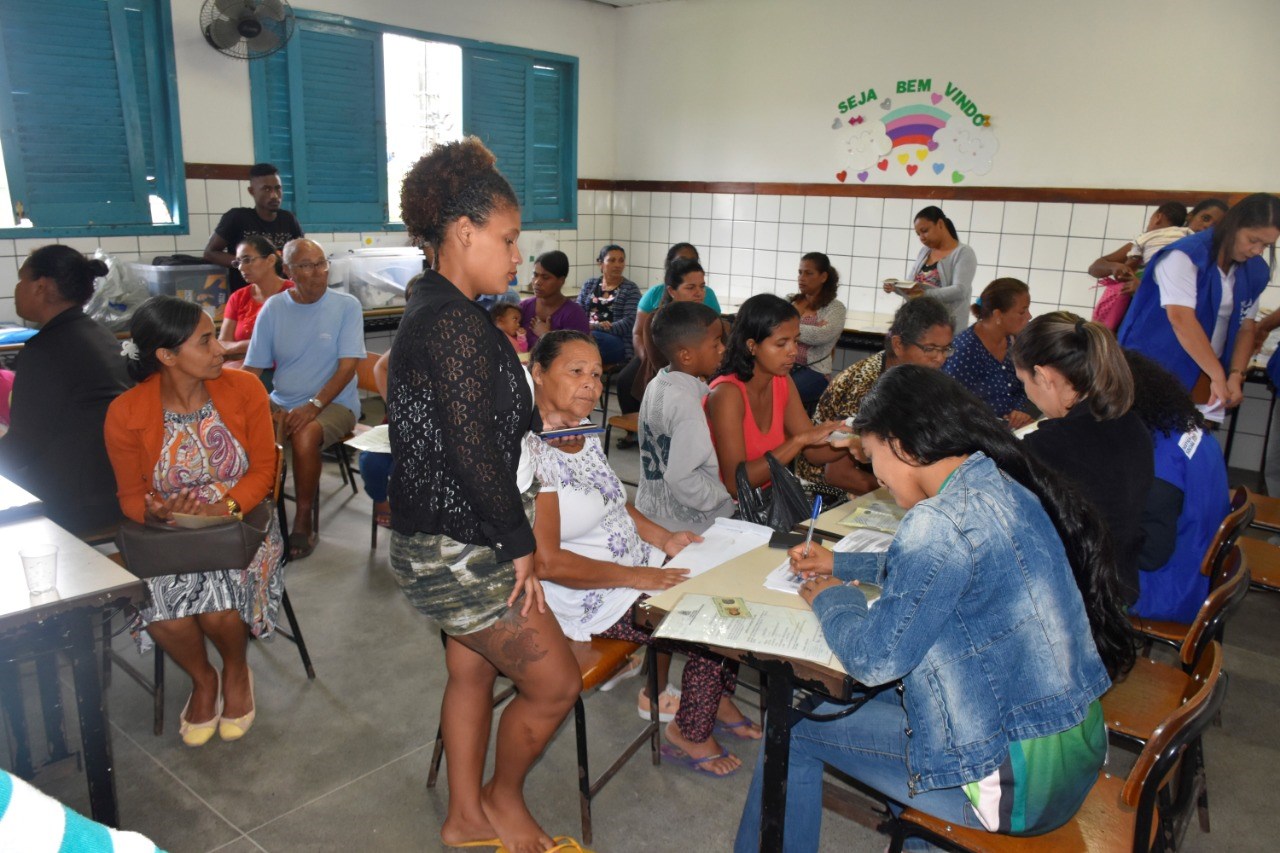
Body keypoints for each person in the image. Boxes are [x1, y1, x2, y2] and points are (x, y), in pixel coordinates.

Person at [735, 365, 1133, 851]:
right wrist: (842, 560)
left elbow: (875, 660)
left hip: (1016, 785)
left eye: (872, 455)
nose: (871, 472)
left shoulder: (937, 524)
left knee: (793, 727)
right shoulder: (997, 482)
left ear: (901, 444)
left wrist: (831, 596)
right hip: (1072, 747)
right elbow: (942, 568)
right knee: (862, 703)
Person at [387, 137, 581, 853]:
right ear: (462, 233)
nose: (514, 256)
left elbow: (469, 419)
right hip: (459, 545)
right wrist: (521, 543)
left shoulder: (439, 307)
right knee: (555, 684)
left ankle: (464, 817)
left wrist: (538, 416)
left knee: (469, 669)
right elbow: (469, 450)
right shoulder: (455, 323)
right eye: (506, 239)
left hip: (442, 531)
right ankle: (501, 800)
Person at [526, 330, 759, 777]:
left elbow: (615, 502)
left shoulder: (582, 431)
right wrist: (639, 579)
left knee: (729, 587)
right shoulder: (531, 453)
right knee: (708, 621)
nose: (591, 385)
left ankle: (713, 698)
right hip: (588, 594)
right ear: (538, 373)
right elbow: (547, 562)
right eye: (576, 372)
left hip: (635, 568)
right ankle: (688, 731)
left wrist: (664, 539)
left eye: (596, 374)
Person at [104, 296, 284, 747]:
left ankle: (237, 672)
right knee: (159, 609)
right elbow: (129, 495)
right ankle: (204, 679)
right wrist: (154, 511)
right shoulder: (125, 413)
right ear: (166, 356)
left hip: (240, 525)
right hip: (167, 534)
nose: (220, 349)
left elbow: (263, 471)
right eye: (205, 340)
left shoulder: (244, 390)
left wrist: (223, 507)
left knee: (218, 604)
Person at [1013, 312, 1153, 604]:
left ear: (1043, 376)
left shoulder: (1050, 446)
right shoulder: (1132, 424)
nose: (1027, 393)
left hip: (1074, 605)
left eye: (1023, 381)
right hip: (1117, 590)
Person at [242, 238, 366, 560]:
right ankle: (254, 514)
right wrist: (235, 403)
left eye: (322, 263)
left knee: (306, 432)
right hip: (282, 400)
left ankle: (303, 519)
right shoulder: (274, 308)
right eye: (306, 266)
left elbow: (348, 368)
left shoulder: (346, 306)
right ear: (288, 271)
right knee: (243, 430)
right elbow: (252, 368)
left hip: (335, 403)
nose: (317, 273)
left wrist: (313, 406)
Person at [0, 245, 132, 531]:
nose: (17, 289)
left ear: (41, 286)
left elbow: (24, 444)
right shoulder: (99, 334)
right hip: (112, 485)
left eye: (22, 280)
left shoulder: (46, 349)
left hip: (76, 502)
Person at [1118, 193, 1280, 422]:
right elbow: (1181, 319)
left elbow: (1246, 326)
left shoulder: (1255, 270)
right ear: (1233, 225)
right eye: (1253, 240)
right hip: (1152, 367)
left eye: (1266, 245)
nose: (1257, 250)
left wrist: (1235, 375)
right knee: (1144, 439)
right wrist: (1217, 376)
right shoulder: (1184, 255)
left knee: (1187, 445)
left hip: (1205, 375)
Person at [796, 297, 954, 493]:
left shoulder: (919, 378)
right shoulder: (866, 387)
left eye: (945, 349)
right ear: (898, 344)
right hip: (823, 492)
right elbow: (838, 475)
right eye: (930, 349)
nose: (939, 358)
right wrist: (910, 493)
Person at [1124, 350, 1230, 623]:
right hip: (1197, 574)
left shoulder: (1161, 462)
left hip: (1166, 592)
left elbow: (1149, 556)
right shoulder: (1188, 428)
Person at [706, 294, 842, 498]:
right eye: (781, 344)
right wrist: (797, 442)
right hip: (723, 508)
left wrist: (857, 440)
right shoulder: (726, 394)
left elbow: (814, 453)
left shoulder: (781, 381)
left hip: (765, 501)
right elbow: (735, 485)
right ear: (752, 346)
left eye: (795, 341)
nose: (793, 352)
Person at [637, 301, 734, 532]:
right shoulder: (687, 406)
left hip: (652, 513)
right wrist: (723, 498)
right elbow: (683, 479)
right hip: (692, 526)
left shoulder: (657, 384)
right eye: (715, 344)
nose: (723, 349)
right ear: (686, 356)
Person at [615, 256, 714, 448]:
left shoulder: (709, 320)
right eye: (690, 287)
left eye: (702, 287)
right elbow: (663, 365)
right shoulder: (657, 320)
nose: (699, 293)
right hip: (666, 389)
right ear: (672, 291)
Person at [943, 278, 1034, 426]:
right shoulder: (963, 352)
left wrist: (1023, 411)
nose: (1029, 316)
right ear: (998, 315)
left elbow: (1030, 383)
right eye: (1022, 311)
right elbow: (950, 409)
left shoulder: (1015, 342)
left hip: (1015, 430)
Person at [203, 163, 305, 293]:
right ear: (252, 191)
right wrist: (245, 263)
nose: (274, 195)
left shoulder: (288, 219)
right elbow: (210, 253)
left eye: (277, 188)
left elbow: (301, 254)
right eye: (267, 189)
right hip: (247, 297)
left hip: (282, 295)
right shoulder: (237, 217)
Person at [884, 205, 976, 333]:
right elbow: (912, 286)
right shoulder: (924, 252)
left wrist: (924, 295)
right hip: (919, 328)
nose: (922, 237)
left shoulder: (963, 252)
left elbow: (959, 290)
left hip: (945, 330)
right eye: (918, 234)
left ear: (940, 224)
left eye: (925, 231)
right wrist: (896, 287)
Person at [217, 236, 294, 368]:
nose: (241, 267)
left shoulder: (293, 294)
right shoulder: (238, 297)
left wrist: (236, 348)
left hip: (283, 370)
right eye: (238, 262)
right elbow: (222, 345)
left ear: (270, 260)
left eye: (247, 260)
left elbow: (285, 344)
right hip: (243, 367)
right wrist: (256, 347)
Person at [789, 252, 847, 410]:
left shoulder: (835, 308)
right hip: (785, 364)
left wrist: (787, 328)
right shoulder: (791, 301)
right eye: (800, 272)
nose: (801, 278)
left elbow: (820, 336)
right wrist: (809, 328)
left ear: (823, 277)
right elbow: (772, 326)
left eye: (809, 273)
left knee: (783, 394)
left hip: (814, 371)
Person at [576, 244, 642, 365]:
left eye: (621, 261)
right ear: (600, 263)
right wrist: (587, 327)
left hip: (616, 340)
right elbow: (577, 313)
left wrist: (596, 327)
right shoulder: (590, 284)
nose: (617, 265)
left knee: (590, 340)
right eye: (612, 260)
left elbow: (629, 322)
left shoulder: (630, 289)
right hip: (586, 333)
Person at [520, 250, 590, 350]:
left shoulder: (574, 314)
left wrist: (547, 335)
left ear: (561, 280)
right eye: (535, 275)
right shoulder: (523, 307)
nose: (537, 282)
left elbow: (580, 353)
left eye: (545, 277)